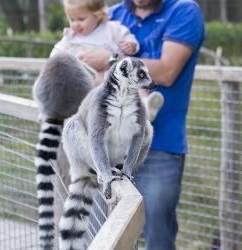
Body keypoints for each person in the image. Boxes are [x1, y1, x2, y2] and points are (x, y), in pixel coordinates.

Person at [77, 0, 205, 249]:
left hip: (160, 145)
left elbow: (167, 72)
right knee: (100, 230)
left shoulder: (183, 11)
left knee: (157, 233)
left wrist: (112, 58)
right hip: (109, 145)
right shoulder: (110, 15)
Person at [51, 0, 164, 121]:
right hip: (89, 75)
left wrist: (131, 45)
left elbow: (127, 36)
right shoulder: (71, 36)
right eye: (72, 20)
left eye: (81, 19)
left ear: (97, 15)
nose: (76, 25)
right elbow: (58, 51)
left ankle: (146, 105)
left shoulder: (111, 28)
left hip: (112, 69)